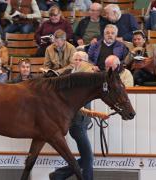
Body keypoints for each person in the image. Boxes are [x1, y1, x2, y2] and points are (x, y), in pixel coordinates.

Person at [49, 51, 96, 180]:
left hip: (83, 122)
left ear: (86, 62)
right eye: (75, 59)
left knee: (87, 157)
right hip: (75, 122)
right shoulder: (67, 77)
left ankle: (58, 175)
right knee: (88, 157)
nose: (77, 62)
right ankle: (61, 175)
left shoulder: (88, 77)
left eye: (80, 60)